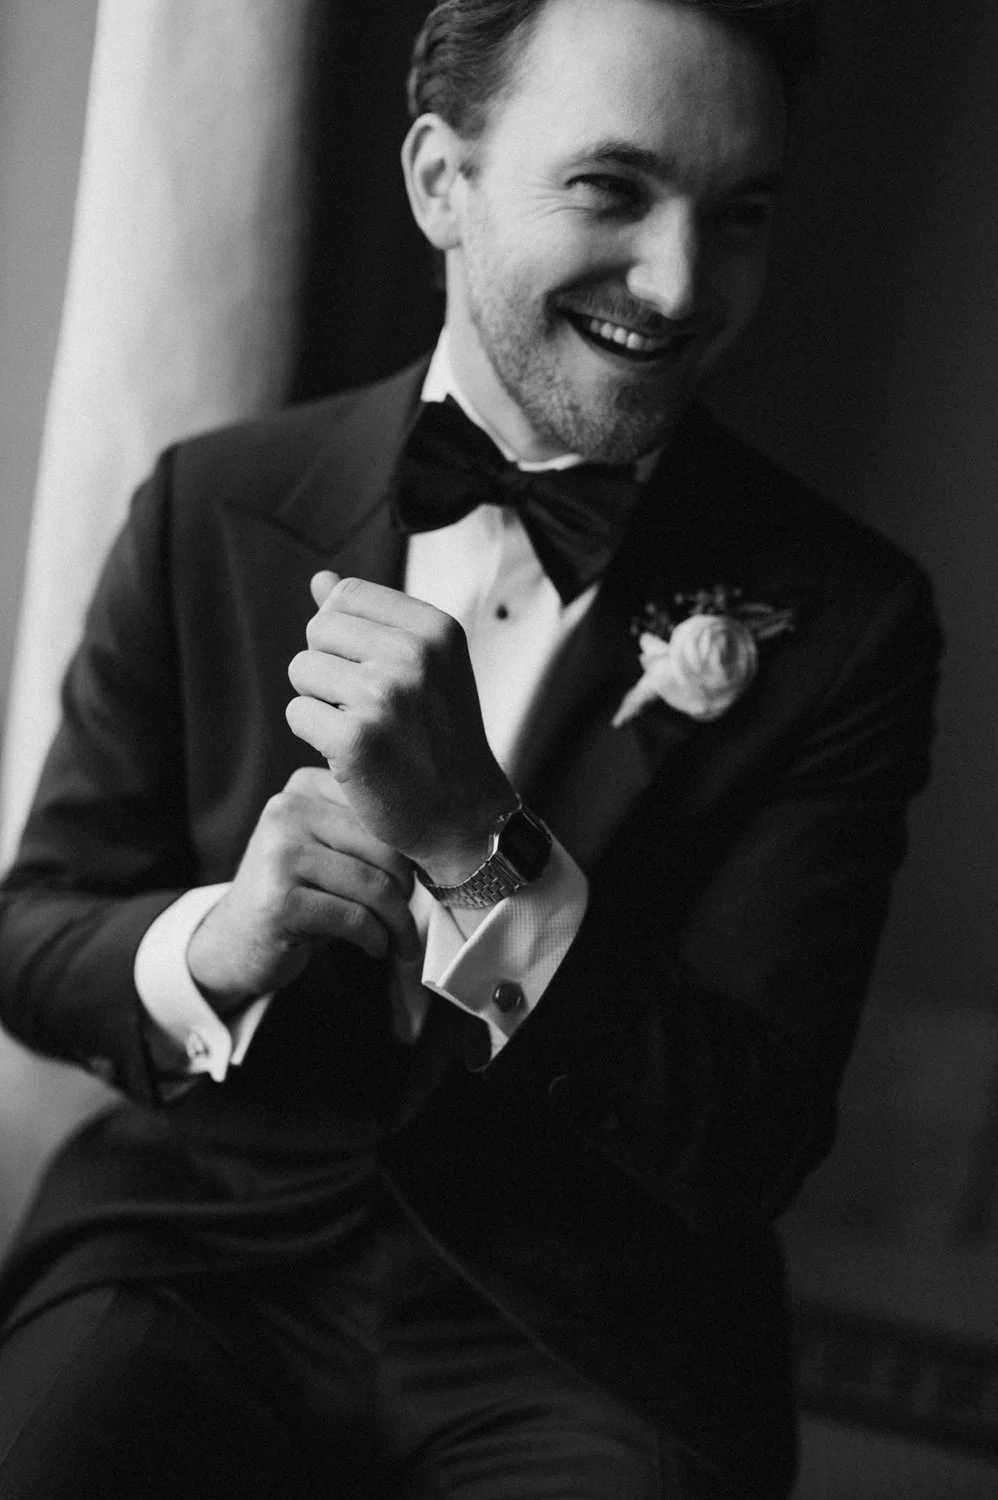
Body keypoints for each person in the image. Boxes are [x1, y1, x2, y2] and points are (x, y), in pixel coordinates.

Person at [0, 1, 941, 1496]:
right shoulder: (209, 501)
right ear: (440, 179)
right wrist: (216, 946)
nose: (683, 283)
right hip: (200, 1255)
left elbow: (751, 1136)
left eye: (738, 212)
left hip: (589, 1320)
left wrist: (478, 852)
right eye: (612, 188)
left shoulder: (848, 619)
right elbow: (33, 932)